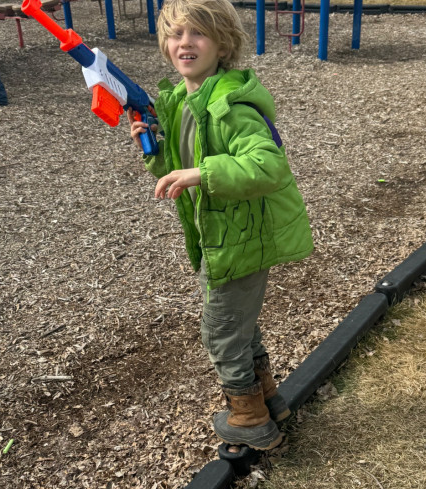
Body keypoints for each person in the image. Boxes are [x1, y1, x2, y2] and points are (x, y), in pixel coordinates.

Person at [128, 0, 313, 451]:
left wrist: (203, 173)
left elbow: (268, 165)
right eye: (175, 34)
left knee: (221, 332)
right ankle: (268, 399)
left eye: (198, 33)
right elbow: (177, 171)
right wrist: (156, 153)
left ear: (223, 45)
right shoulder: (184, 100)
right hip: (226, 237)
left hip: (240, 240)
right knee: (240, 325)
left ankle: (249, 419)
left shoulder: (230, 106)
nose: (184, 43)